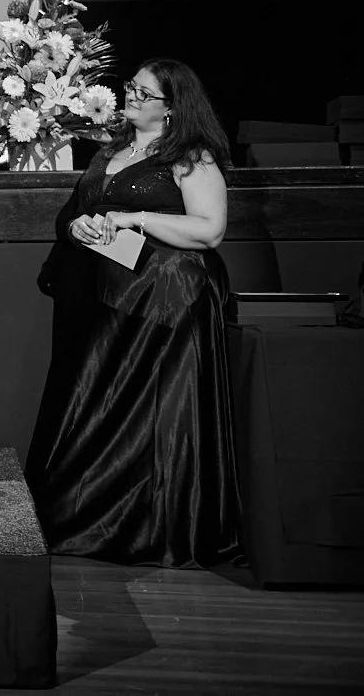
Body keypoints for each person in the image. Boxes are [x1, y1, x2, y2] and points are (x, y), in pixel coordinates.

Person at [26, 58, 241, 567]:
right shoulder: (111, 151)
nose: (132, 97)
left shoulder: (190, 157)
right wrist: (77, 226)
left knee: (147, 415)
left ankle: (145, 528)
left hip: (162, 306)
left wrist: (134, 218)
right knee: (91, 403)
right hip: (104, 303)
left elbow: (209, 230)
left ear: (172, 109)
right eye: (131, 88)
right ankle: (79, 515)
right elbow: (75, 211)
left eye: (145, 94)